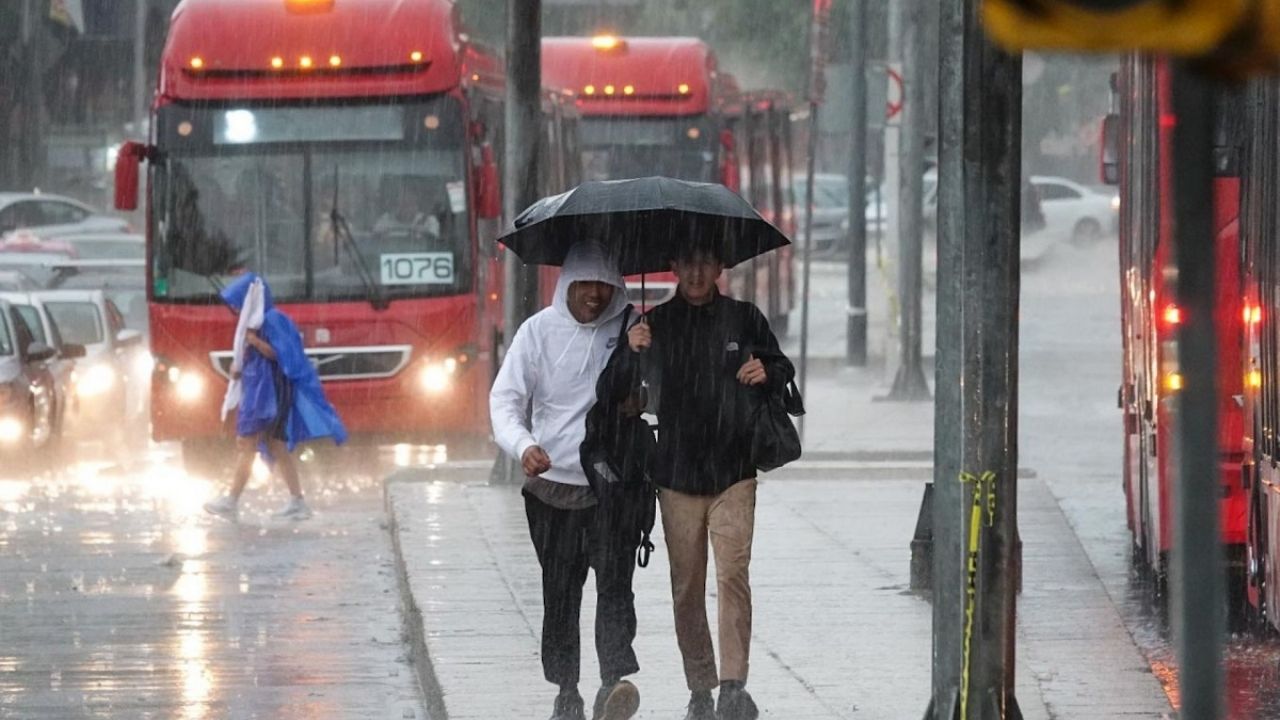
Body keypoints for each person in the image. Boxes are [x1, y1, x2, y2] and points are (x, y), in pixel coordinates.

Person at [620, 238, 793, 720]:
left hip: (734, 471)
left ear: (721, 265)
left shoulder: (744, 317)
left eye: (706, 262)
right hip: (675, 474)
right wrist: (632, 351)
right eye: (688, 261)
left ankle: (733, 685)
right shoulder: (653, 324)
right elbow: (630, 395)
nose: (697, 272)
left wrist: (768, 370)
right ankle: (700, 686)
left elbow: (782, 366)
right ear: (674, 264)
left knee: (733, 574)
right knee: (686, 587)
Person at [489, 241, 644, 720]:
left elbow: (659, 394)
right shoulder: (537, 333)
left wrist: (643, 378)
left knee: (615, 586)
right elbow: (505, 401)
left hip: (612, 489)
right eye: (584, 284)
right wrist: (523, 446)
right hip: (551, 490)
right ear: (566, 285)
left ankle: (613, 681)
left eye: (604, 285)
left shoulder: (632, 331)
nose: (595, 295)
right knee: (560, 591)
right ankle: (567, 690)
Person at [203, 272, 347, 520]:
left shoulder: (272, 320)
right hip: (261, 393)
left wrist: (253, 341)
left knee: (248, 443)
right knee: (275, 445)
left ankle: (232, 500)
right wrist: (239, 371)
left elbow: (281, 355)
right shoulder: (256, 324)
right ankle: (296, 500)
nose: (237, 310)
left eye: (239, 304)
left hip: (272, 393)